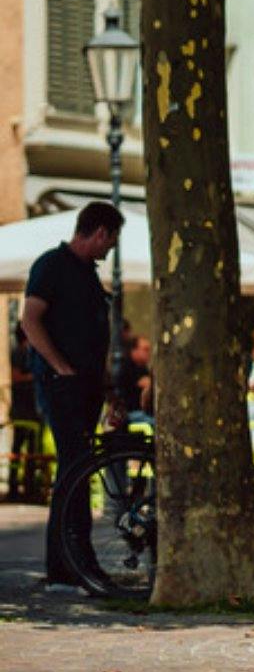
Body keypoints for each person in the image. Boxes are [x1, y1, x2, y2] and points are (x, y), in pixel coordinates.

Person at [18, 201, 123, 585]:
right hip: (62, 385)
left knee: (71, 471)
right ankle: (80, 560)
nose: (109, 250)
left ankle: (62, 564)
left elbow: (97, 336)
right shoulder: (53, 265)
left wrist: (109, 390)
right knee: (77, 468)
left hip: (86, 385)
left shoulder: (86, 274)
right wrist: (60, 366)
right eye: (110, 242)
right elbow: (29, 319)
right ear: (100, 233)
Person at [116, 334, 153, 422]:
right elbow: (147, 384)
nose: (149, 353)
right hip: (131, 413)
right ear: (134, 350)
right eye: (145, 349)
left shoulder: (143, 368)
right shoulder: (127, 367)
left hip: (142, 412)